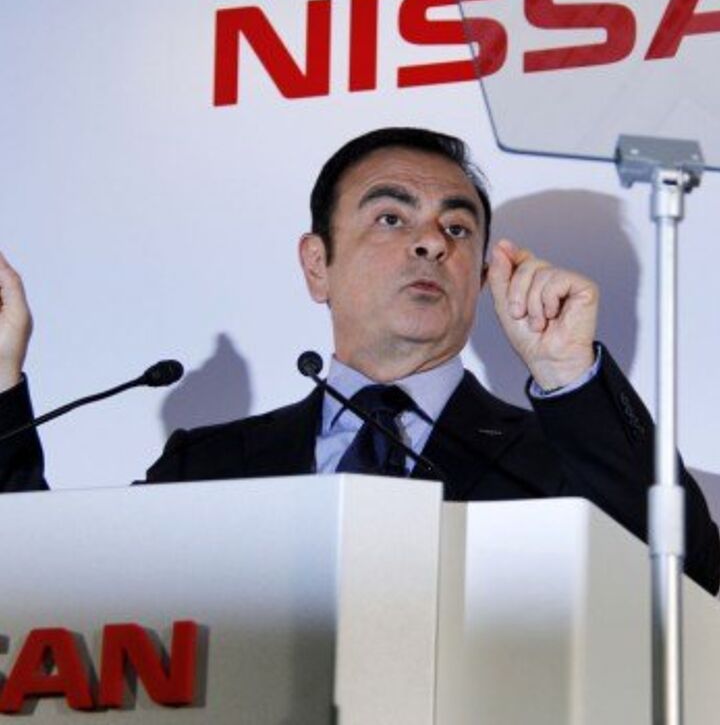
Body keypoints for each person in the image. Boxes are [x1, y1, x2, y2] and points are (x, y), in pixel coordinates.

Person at [0, 127, 718, 594]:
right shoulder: (207, 463)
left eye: (457, 227)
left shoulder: (559, 455)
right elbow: (40, 594)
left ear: (480, 276)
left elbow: (693, 576)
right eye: (390, 217)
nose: (431, 242)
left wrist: (567, 376)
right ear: (318, 264)